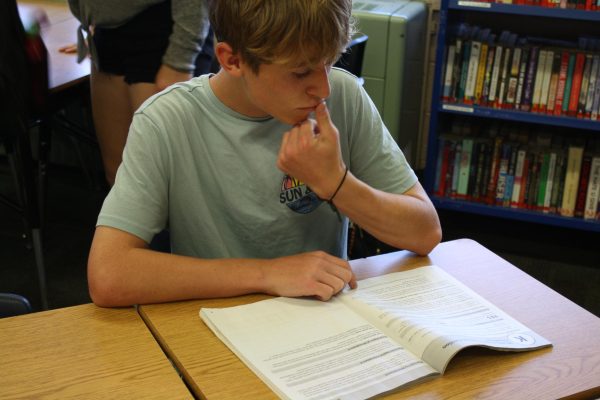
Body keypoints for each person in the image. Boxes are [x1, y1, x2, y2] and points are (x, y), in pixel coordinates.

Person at [87, 0, 442, 307]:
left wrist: (336, 183)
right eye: (301, 71)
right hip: (214, 322)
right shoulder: (167, 120)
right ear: (233, 59)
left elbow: (425, 233)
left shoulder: (344, 97)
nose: (323, 87)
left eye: (330, 62)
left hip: (323, 320)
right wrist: (268, 273)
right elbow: (108, 274)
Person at [67, 0, 214, 185]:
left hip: (166, 31)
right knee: (119, 178)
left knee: (162, 182)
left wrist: (181, 58)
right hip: (108, 31)